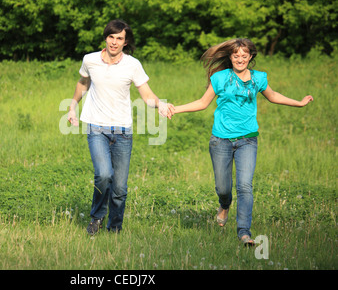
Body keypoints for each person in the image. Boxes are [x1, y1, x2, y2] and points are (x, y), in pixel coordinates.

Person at [169, 38, 313, 246]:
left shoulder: (258, 78)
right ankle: (224, 204)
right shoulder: (219, 78)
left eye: (244, 56)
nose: (240, 59)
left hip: (248, 140)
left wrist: (299, 103)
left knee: (245, 186)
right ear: (230, 57)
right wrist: (176, 108)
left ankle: (244, 233)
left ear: (250, 57)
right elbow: (202, 103)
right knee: (223, 188)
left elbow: (273, 96)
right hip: (221, 140)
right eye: (236, 55)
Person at [68, 19, 174, 235]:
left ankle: (114, 229)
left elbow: (146, 95)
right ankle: (97, 218)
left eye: (119, 38)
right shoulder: (90, 60)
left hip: (123, 132)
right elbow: (83, 82)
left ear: (125, 42)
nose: (114, 42)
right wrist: (72, 107)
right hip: (97, 128)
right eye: (111, 37)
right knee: (104, 175)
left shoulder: (132, 65)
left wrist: (160, 104)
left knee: (119, 189)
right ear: (105, 37)